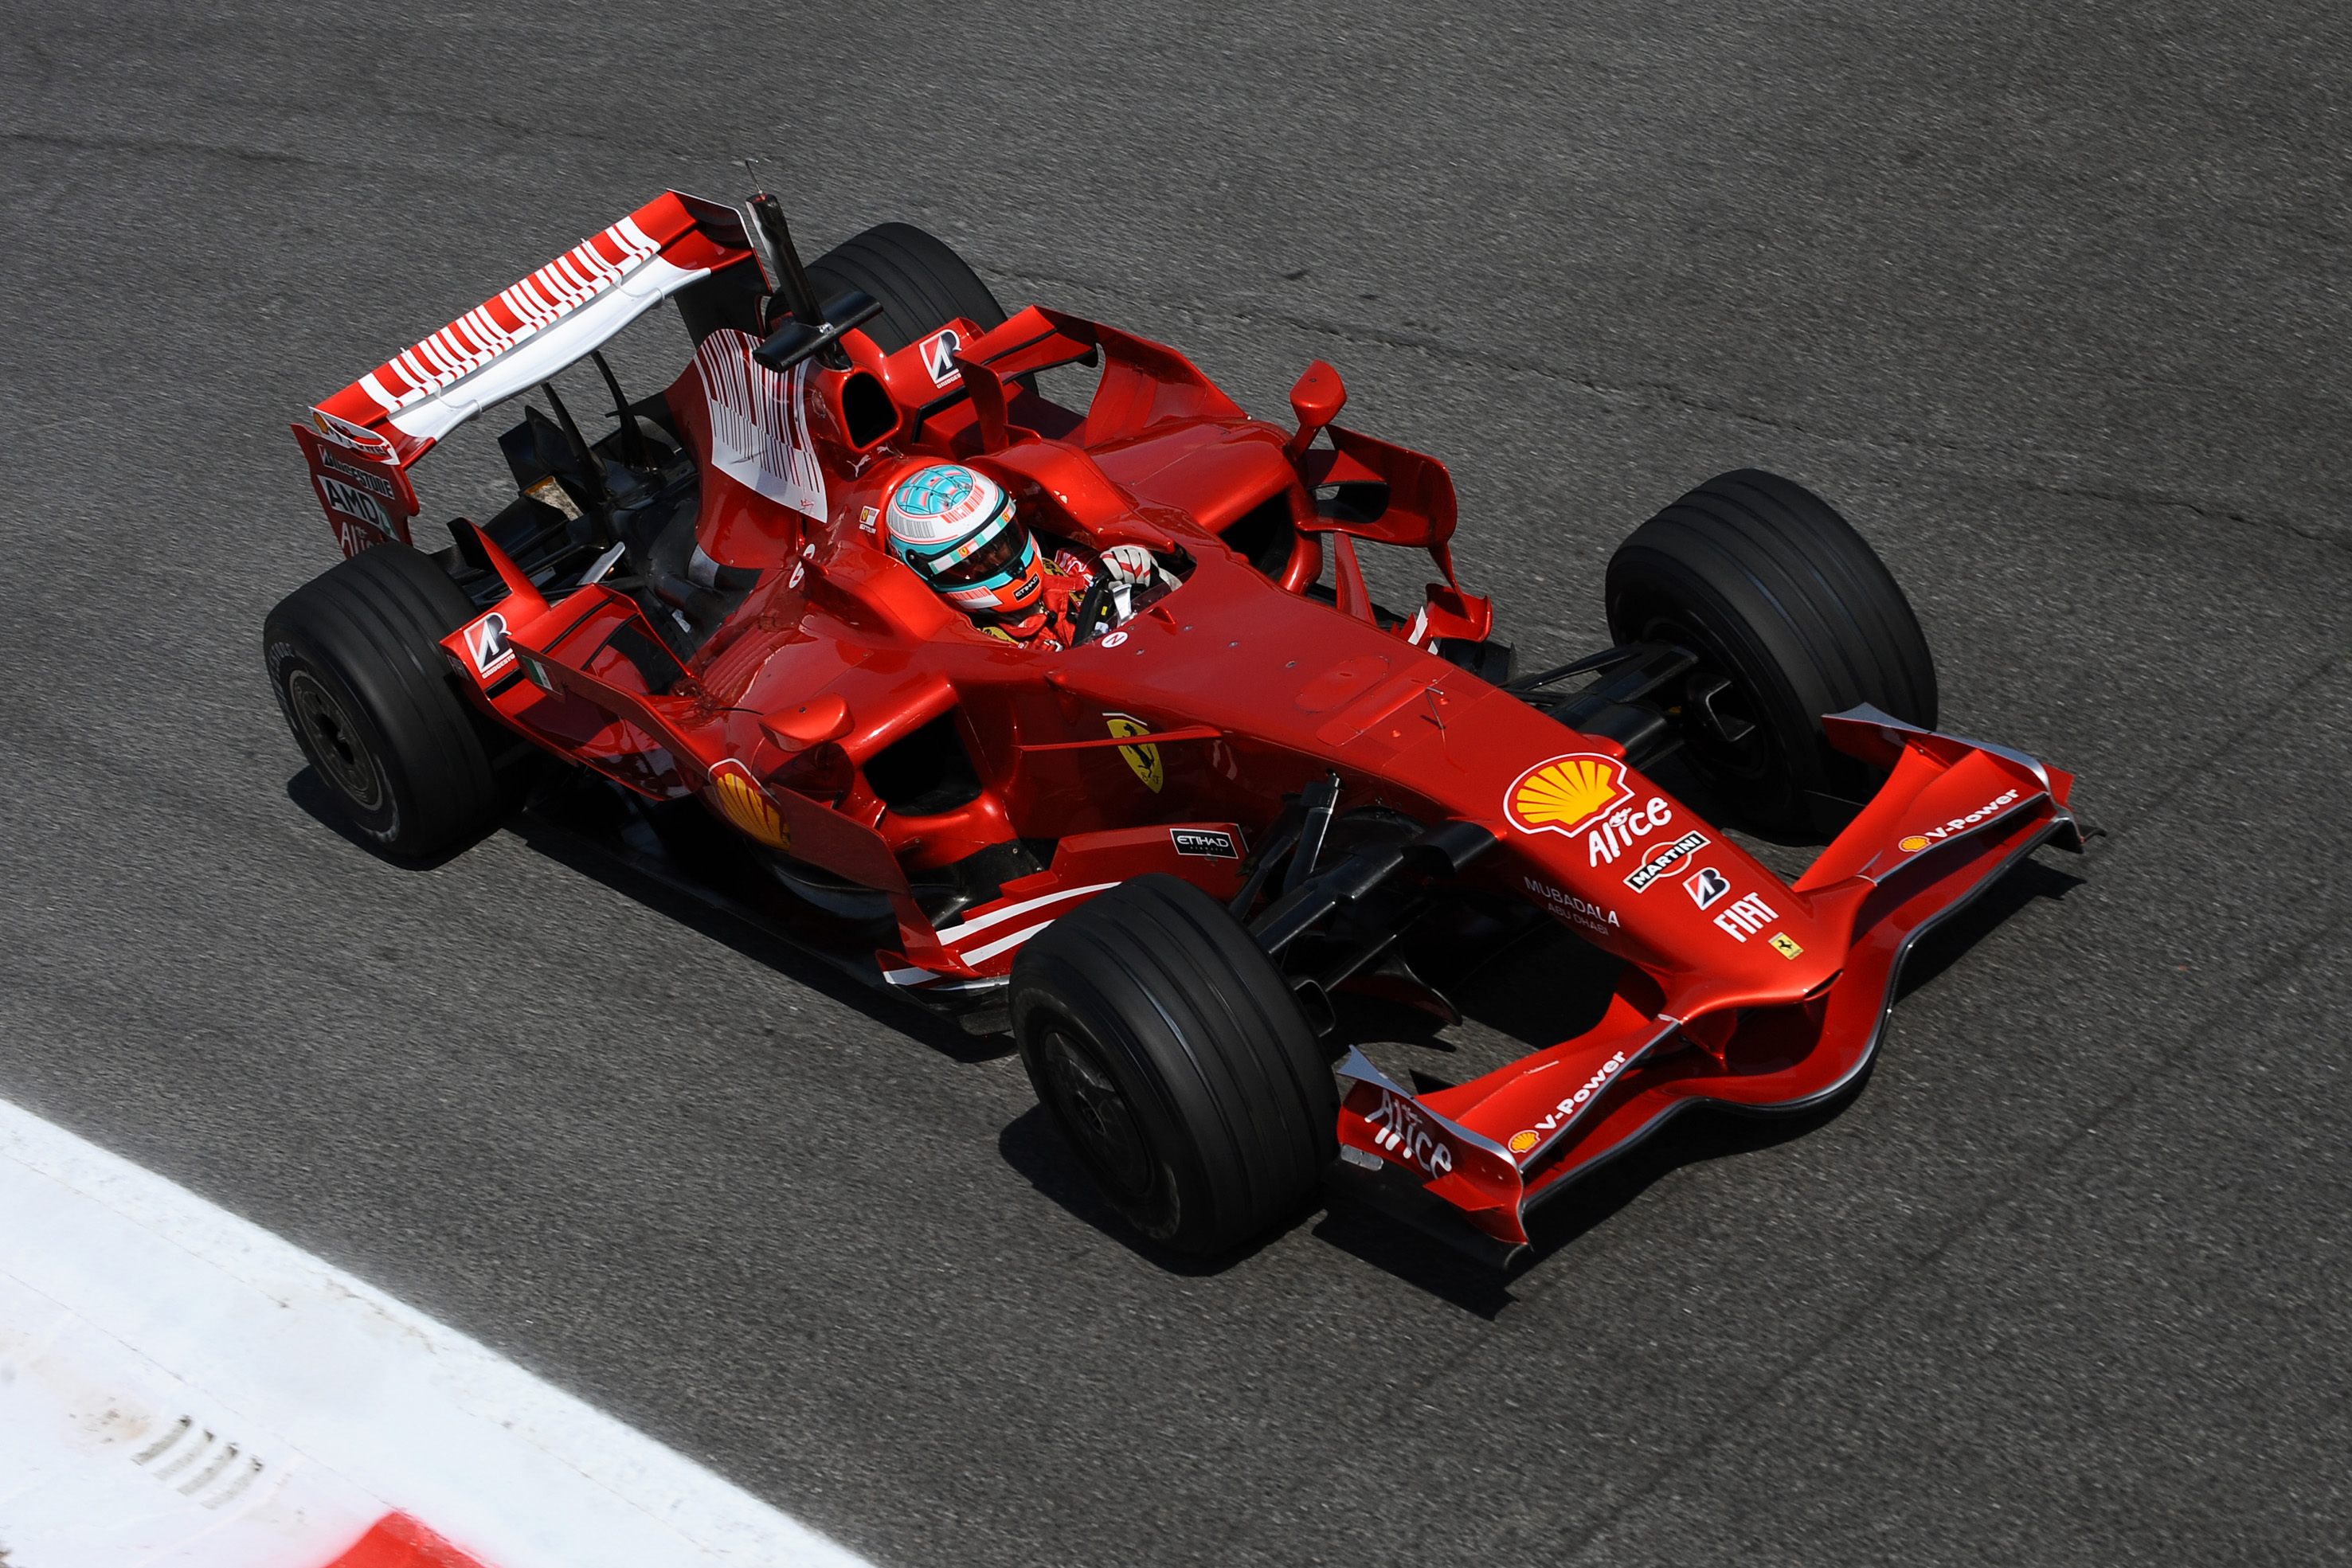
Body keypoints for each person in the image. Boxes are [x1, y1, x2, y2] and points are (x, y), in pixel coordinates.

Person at [882, 463, 1170, 649]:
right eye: (974, 562)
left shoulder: (1081, 565)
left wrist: (1154, 572)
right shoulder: (980, 647)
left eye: (1002, 543)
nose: (1000, 563)